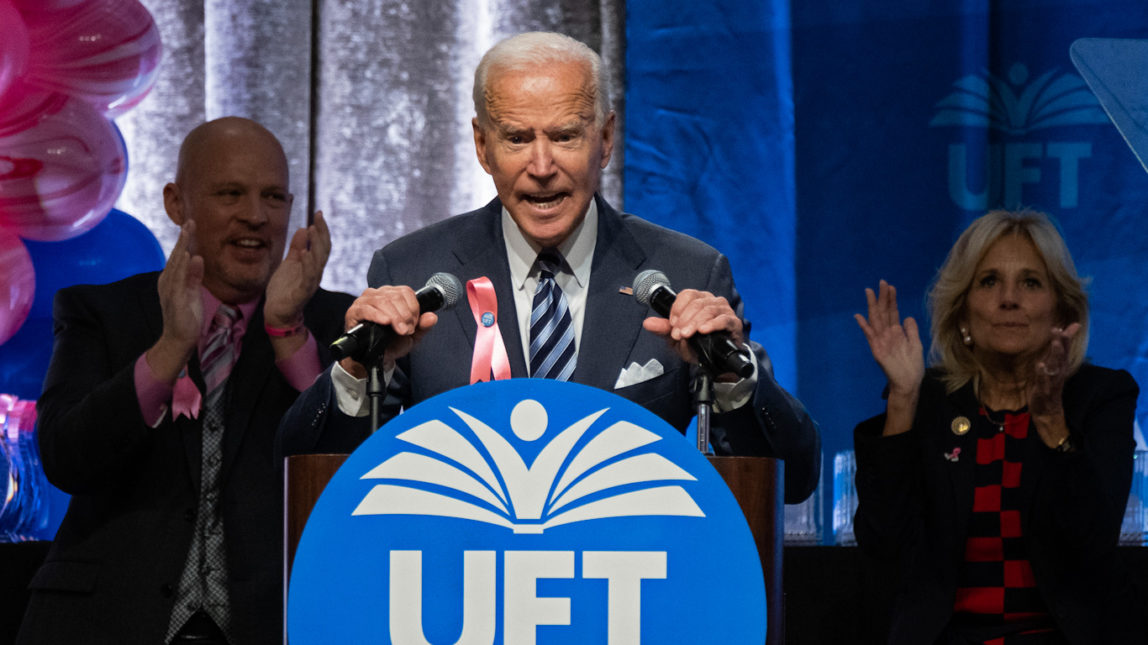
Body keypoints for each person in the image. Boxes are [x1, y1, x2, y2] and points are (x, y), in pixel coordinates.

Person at [277, 31, 821, 504]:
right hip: (459, 593)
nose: (542, 167)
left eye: (565, 136)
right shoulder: (413, 269)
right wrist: (355, 374)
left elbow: (794, 477)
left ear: (604, 140)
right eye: (517, 139)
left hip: (629, 596)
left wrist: (731, 376)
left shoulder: (688, 273)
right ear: (483, 147)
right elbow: (303, 476)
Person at [16, 117, 353, 645]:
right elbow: (65, 457)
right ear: (177, 203)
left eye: (274, 197)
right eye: (229, 193)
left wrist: (288, 332)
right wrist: (170, 348)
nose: (255, 215)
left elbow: (351, 480)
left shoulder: (334, 322)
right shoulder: (100, 311)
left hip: (276, 624)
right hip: (103, 621)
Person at [852, 209, 1144, 644]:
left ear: (1061, 309)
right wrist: (903, 399)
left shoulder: (1099, 397)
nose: (1009, 299)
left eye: (1030, 282)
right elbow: (883, 543)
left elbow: (1093, 541)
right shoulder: (929, 398)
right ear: (963, 314)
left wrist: (1050, 422)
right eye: (989, 281)